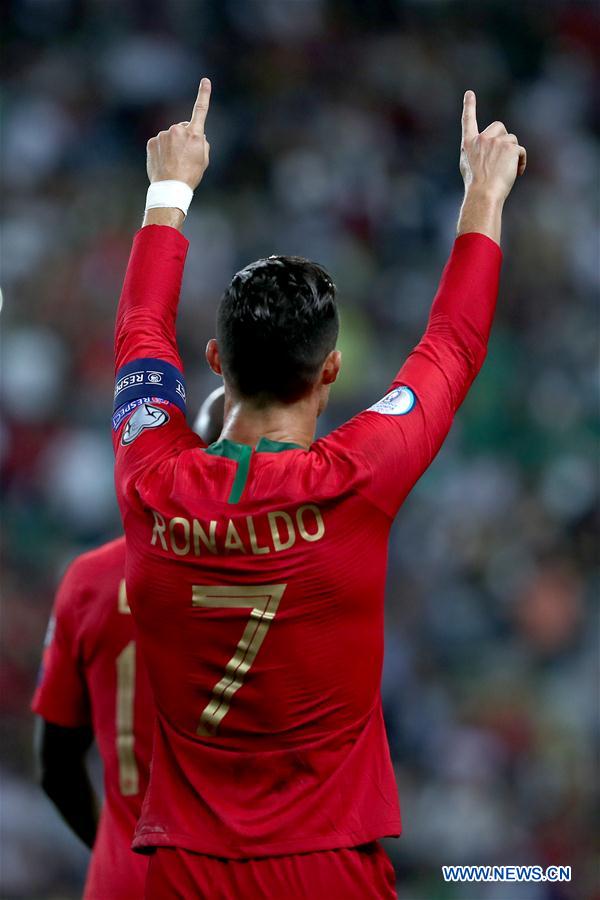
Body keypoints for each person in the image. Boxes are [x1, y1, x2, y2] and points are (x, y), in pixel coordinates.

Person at [111, 79, 525, 898]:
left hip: (185, 872)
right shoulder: (357, 478)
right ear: (331, 370)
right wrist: (483, 192)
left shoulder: (149, 477)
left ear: (216, 361)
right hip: (330, 866)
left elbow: (139, 333)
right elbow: (453, 346)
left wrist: (169, 191)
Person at [32, 389, 224, 899]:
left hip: (127, 879)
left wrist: (114, 849)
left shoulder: (90, 580)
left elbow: (55, 767)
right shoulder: (297, 577)